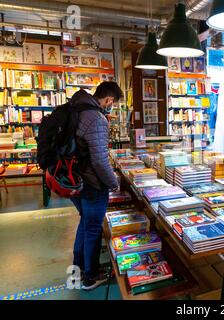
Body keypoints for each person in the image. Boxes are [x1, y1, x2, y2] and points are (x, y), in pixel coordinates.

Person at [70, 81, 123, 290]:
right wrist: (114, 183)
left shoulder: (79, 108)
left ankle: (78, 268)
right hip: (91, 183)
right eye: (113, 103)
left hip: (75, 179)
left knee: (85, 224)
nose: (112, 106)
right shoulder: (97, 118)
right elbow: (100, 161)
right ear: (109, 99)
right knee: (93, 228)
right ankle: (90, 277)